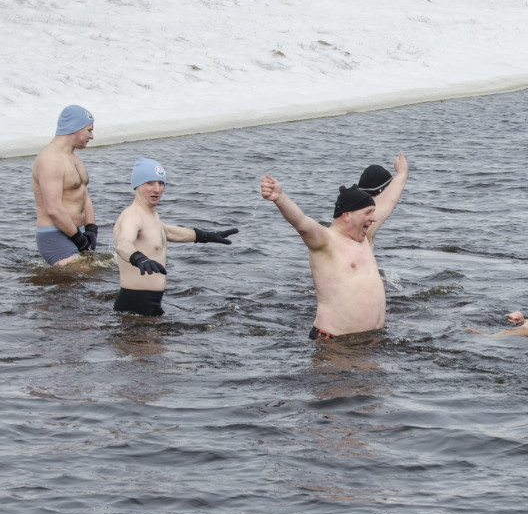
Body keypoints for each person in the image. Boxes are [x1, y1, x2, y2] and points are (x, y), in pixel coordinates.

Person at [261, 152, 408, 340]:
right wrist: (279, 197)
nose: (373, 218)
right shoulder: (325, 241)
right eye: (368, 212)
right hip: (334, 345)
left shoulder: (364, 237)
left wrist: (402, 174)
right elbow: (302, 223)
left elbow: (388, 203)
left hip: (370, 341)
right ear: (347, 215)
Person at [113, 158, 238, 316]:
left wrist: (206, 236)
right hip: (135, 303)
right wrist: (139, 259)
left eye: (160, 183)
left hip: (151, 301)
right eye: (149, 183)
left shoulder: (150, 216)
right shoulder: (132, 217)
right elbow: (123, 244)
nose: (156, 189)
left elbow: (168, 232)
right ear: (137, 185)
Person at [31, 105, 99, 266]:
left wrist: (91, 229)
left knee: (90, 282)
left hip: (76, 232)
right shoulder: (50, 159)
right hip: (54, 235)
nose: (92, 136)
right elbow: (53, 208)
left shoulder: (74, 157)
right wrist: (79, 239)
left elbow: (84, 195)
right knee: (81, 280)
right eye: (89, 130)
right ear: (76, 129)